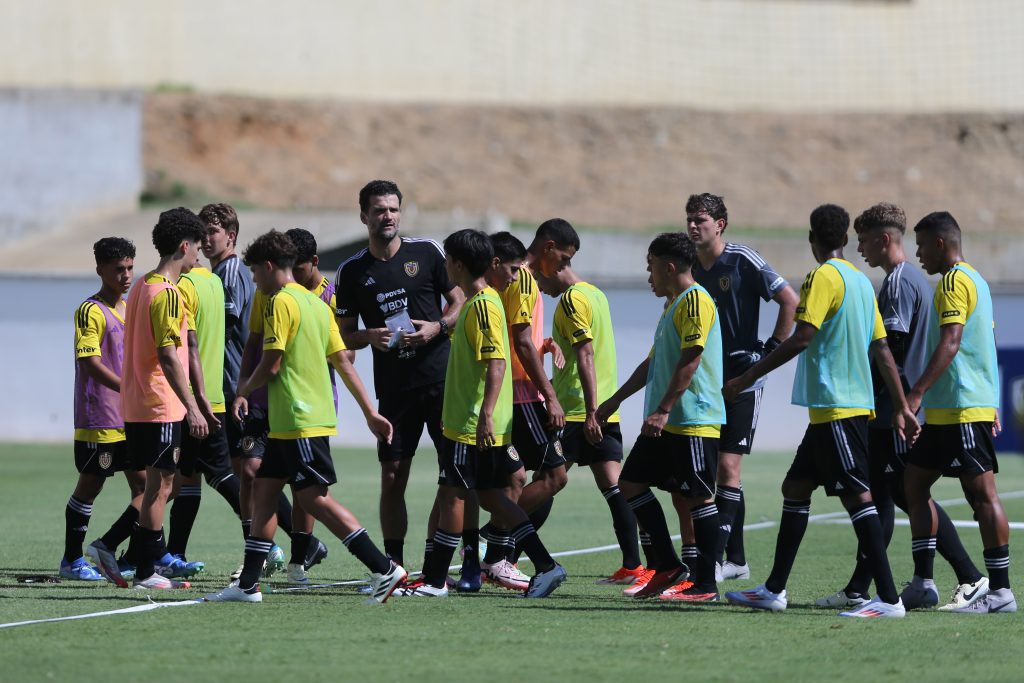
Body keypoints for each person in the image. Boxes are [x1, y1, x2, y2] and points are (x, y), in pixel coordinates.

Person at [723, 204, 919, 618]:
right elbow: (881, 348)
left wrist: (747, 378)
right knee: (795, 487)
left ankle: (888, 599)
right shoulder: (863, 283)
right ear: (845, 239)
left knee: (858, 497)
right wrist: (901, 405)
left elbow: (803, 336)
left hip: (837, 407)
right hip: (838, 410)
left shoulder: (822, 276)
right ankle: (774, 589)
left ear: (813, 239)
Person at [205, 230, 405, 604]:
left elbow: (273, 361)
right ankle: (248, 584)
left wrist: (243, 391)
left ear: (268, 267)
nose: (253, 281)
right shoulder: (316, 305)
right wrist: (370, 413)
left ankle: (384, 568)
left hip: (299, 421)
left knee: (314, 500)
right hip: (290, 425)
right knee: (264, 494)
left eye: (254, 273)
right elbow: (343, 363)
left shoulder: (280, 302)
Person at [817, 203, 986, 610]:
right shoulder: (908, 280)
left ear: (884, 239)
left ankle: (969, 575)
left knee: (902, 495)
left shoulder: (898, 283)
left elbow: (891, 350)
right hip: (893, 409)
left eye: (864, 240)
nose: (860, 249)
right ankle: (867, 584)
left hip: (896, 411)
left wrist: (896, 403)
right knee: (887, 494)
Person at [396, 229, 566, 598]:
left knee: (454, 494)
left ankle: (436, 580)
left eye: (447, 261)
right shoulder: (476, 303)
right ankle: (547, 566)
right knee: (492, 497)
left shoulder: (484, 305)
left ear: (456, 264)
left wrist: (486, 413)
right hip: (467, 419)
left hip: (473, 424)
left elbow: (496, 363)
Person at [334, 180, 464, 569]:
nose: (387, 216)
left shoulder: (426, 252)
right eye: (378, 210)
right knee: (392, 477)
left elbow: (459, 300)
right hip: (394, 389)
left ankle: (436, 564)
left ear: (400, 213)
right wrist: (368, 335)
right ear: (364, 216)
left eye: (392, 209)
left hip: (441, 380)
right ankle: (393, 566)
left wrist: (437, 328)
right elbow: (344, 336)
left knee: (453, 475)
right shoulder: (351, 271)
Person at [597, 233, 725, 601]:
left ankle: (705, 585)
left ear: (669, 267)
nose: (648, 275)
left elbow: (692, 358)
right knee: (631, 483)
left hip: (692, 418)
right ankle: (668, 566)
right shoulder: (673, 305)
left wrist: (664, 409)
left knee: (700, 498)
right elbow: (653, 364)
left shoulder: (696, 300)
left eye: (651, 267)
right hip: (667, 421)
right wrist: (613, 401)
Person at [902, 211, 1015, 614]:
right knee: (912, 485)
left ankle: (1001, 592)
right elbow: (985, 343)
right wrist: (995, 403)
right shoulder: (977, 281)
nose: (917, 254)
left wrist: (915, 393)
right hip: (954, 409)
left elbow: (952, 343)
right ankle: (922, 582)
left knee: (982, 496)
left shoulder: (953, 282)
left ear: (940, 243)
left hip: (962, 408)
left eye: (920, 245)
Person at [687, 193, 798, 581]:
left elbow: (790, 300)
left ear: (720, 224)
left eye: (700, 219)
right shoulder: (689, 266)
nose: (692, 225)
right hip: (707, 381)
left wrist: (768, 353)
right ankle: (736, 560)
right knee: (719, 469)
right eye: (689, 219)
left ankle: (714, 561)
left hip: (743, 378)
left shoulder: (742, 259)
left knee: (728, 466)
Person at [113, 207, 217, 590]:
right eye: (197, 250)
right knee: (160, 488)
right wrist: (192, 407)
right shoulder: (169, 294)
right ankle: (146, 572)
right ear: (184, 246)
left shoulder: (141, 285)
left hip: (137, 404)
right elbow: (170, 355)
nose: (199, 257)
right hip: (159, 405)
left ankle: (146, 564)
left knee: (156, 487)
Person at [535, 222, 645, 584]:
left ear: (553, 259)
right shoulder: (596, 294)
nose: (538, 283)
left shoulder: (571, 300)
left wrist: (592, 411)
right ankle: (633, 565)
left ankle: (501, 552)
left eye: (538, 274)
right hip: (601, 410)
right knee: (616, 489)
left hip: (581, 412)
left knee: (545, 481)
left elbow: (585, 356)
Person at [64, 238, 145, 583]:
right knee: (90, 486)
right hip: (100, 416)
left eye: (130, 268)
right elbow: (91, 362)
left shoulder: (131, 308)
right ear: (100, 270)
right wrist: (127, 387)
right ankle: (71, 561)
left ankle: (110, 547)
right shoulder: (90, 310)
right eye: (118, 270)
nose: (126, 275)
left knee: (151, 489)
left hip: (130, 416)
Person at [164, 242, 240, 574]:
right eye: (200, 240)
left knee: (165, 482)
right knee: (185, 478)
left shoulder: (182, 287)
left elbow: (185, 347)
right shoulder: (213, 281)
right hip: (212, 397)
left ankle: (269, 540)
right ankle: (172, 553)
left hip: (190, 400)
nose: (203, 247)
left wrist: (195, 402)